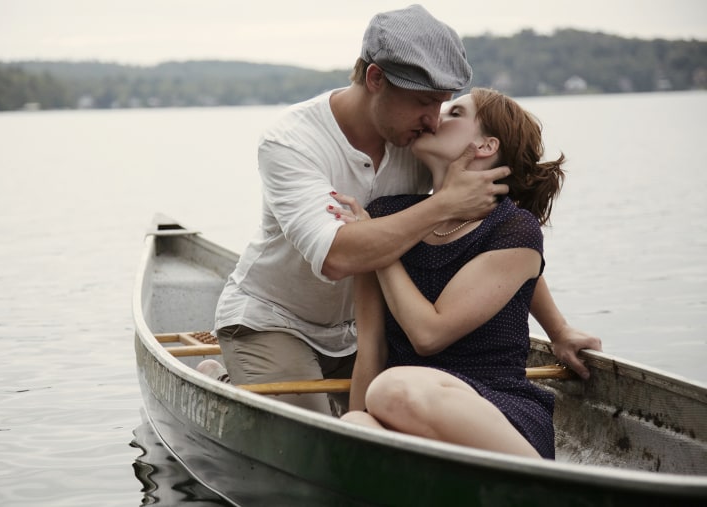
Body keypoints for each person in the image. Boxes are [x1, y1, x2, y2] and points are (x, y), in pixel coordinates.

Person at [212, 5, 597, 416]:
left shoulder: (419, 142)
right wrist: (444, 203)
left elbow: (500, 244)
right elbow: (339, 255)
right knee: (305, 431)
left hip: (366, 331)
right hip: (276, 320)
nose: (433, 121)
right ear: (376, 79)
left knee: (382, 419)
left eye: (445, 104)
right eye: (424, 102)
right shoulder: (291, 143)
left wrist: (557, 329)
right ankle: (220, 378)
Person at [335, 88, 603, 459]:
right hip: (405, 410)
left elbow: (428, 335)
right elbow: (372, 347)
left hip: (495, 411)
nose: (435, 116)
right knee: (353, 425)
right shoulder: (383, 215)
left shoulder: (512, 230)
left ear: (485, 145)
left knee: (391, 389)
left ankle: (554, 488)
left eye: (455, 112)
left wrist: (381, 252)